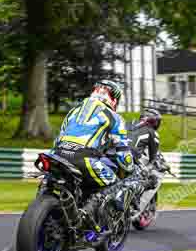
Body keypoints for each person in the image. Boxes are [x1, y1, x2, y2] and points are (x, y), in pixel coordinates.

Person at [51, 80, 141, 232]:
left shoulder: (73, 111)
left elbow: (59, 137)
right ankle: (88, 224)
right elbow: (122, 153)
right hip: (84, 158)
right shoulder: (114, 117)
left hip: (57, 154)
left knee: (50, 180)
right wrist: (131, 170)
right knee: (115, 186)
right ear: (114, 99)